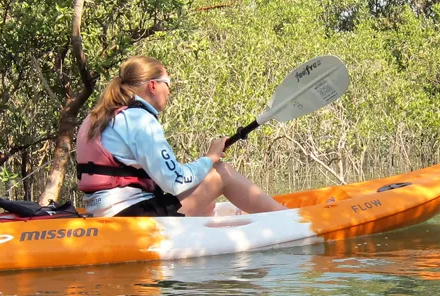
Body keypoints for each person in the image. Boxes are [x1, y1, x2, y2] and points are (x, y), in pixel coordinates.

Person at [75, 56, 287, 217]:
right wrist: (210, 159)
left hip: (104, 212)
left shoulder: (96, 117)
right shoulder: (140, 120)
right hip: (133, 217)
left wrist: (204, 165)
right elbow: (174, 182)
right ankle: (287, 219)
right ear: (152, 85)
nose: (169, 90)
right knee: (222, 173)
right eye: (167, 83)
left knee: (208, 203)